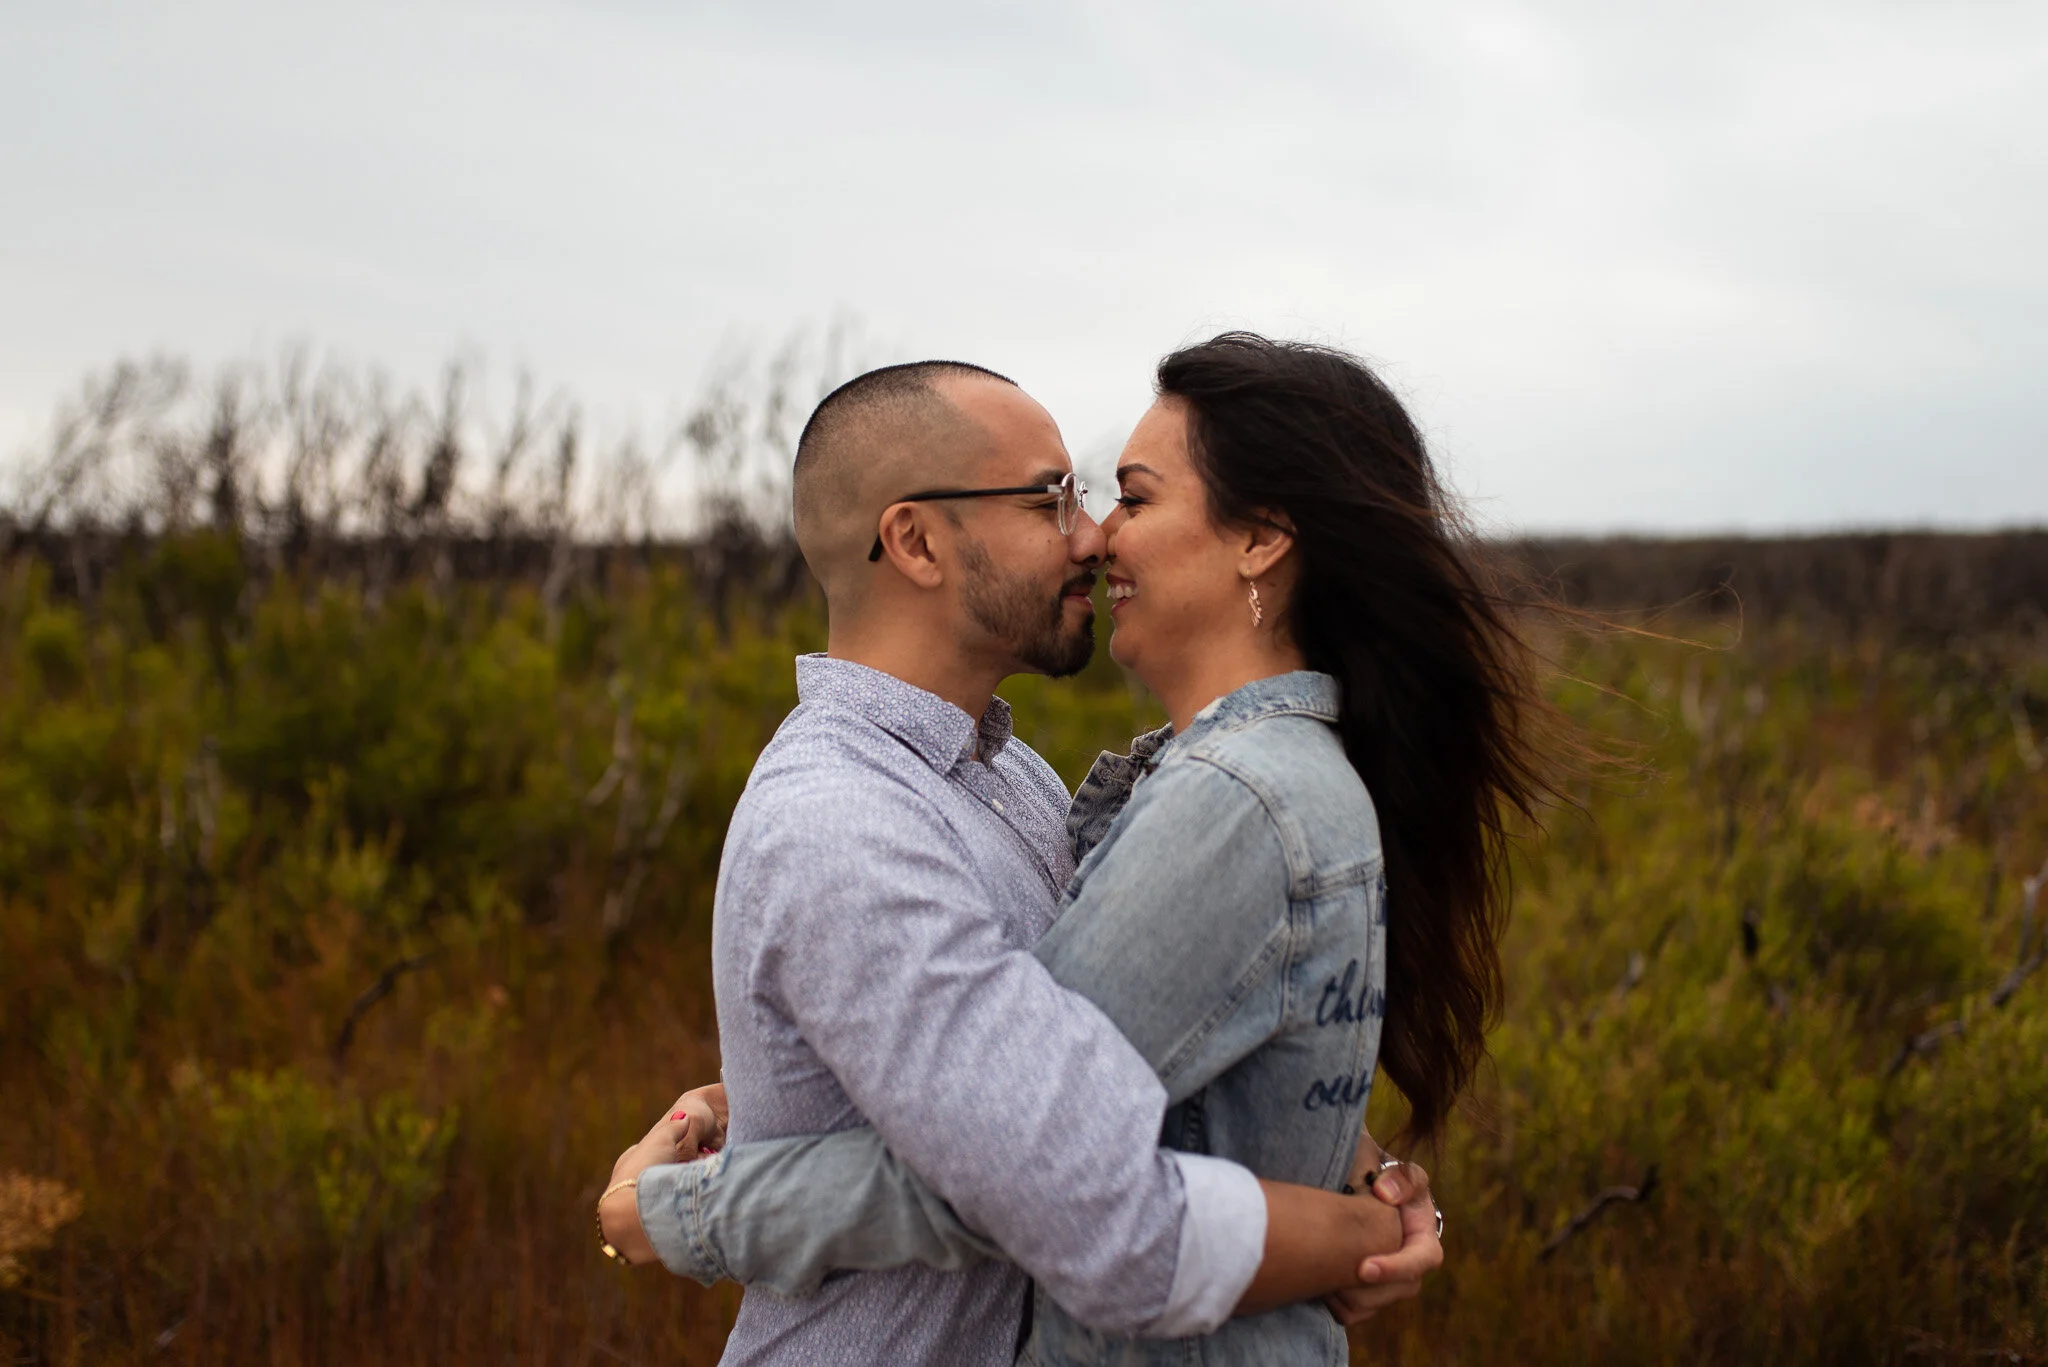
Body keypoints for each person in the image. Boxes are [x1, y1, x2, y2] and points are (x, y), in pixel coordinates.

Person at [599, 342, 1522, 1361]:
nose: (1088, 536)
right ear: (913, 541)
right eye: (1049, 502)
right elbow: (1067, 1185)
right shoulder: (838, 822)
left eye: (1106, 497)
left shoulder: (1016, 778)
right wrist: (1332, 1233)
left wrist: (1338, 1163)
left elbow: (1122, 1053)